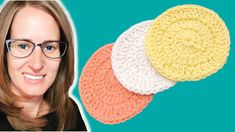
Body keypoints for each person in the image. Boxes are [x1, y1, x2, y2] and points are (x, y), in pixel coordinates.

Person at [0, 1, 87, 131]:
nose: (37, 64)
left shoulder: (69, 112)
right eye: (23, 46)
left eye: (50, 47)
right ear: (4, 52)